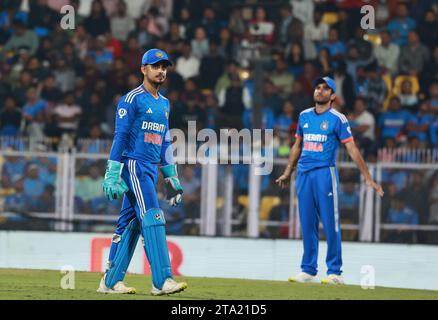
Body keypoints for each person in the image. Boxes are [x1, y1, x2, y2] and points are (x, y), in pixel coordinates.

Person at [275, 76, 384, 285]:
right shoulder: (304, 116)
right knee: (307, 224)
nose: (320, 91)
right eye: (318, 87)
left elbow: (352, 149)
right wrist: (288, 171)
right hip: (304, 174)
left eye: (326, 89)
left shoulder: (338, 119)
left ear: (333, 96)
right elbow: (297, 145)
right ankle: (308, 270)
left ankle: (335, 272)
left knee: (331, 222)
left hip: (325, 173)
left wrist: (368, 178)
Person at [97, 48, 187, 296]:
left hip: (150, 168)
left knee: (131, 223)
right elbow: (121, 136)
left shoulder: (165, 104)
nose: (161, 71)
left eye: (164, 67)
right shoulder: (131, 99)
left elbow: (165, 141)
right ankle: (162, 280)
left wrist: (171, 176)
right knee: (153, 215)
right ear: (143, 69)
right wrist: (112, 172)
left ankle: (111, 280)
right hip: (133, 165)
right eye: (156, 66)